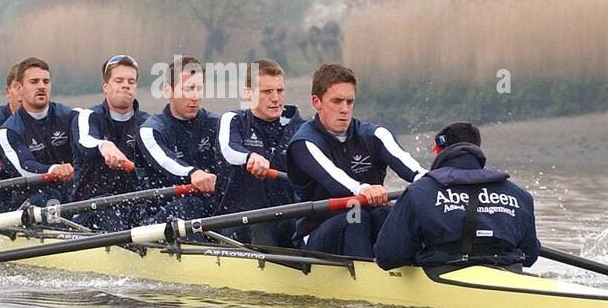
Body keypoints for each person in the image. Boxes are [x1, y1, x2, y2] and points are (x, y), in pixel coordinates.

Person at [286, 63, 425, 258]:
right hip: (317, 234)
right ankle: (366, 280)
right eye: (336, 101)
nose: (344, 109)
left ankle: (409, 269)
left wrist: (433, 183)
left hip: (365, 220)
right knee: (356, 217)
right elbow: (333, 179)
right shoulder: (304, 143)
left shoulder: (375, 134)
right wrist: (364, 189)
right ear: (316, 102)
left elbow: (416, 172)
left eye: (349, 102)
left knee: (386, 214)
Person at [375, 122, 540, 270]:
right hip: (507, 274)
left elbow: (388, 257)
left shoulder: (418, 193)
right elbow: (530, 256)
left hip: (440, 276)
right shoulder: (520, 195)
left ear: (439, 150)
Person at [215, 58, 303, 246]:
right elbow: (229, 150)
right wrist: (249, 157)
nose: (275, 98)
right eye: (267, 92)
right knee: (261, 227)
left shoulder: (300, 128)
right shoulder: (234, 120)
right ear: (248, 93)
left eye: (279, 91)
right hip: (241, 222)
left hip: (288, 219)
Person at [70, 54, 150, 230]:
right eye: (119, 80)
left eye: (131, 81)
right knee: (107, 209)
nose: (125, 85)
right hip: (90, 208)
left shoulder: (148, 124)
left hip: (135, 208)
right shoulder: (88, 117)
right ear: (105, 86)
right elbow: (85, 142)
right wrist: (104, 146)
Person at [137, 55, 220, 222]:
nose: (195, 96)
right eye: (188, 89)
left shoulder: (216, 123)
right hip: (162, 214)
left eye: (199, 88)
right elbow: (166, 162)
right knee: (190, 205)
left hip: (209, 208)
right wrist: (192, 173)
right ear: (168, 90)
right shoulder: (151, 130)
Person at [0, 57, 76, 206]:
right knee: (47, 198)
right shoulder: (8, 132)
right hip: (31, 198)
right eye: (34, 82)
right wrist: (54, 169)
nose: (41, 86)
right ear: (19, 88)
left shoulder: (70, 116)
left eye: (46, 82)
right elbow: (25, 167)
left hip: (73, 192)